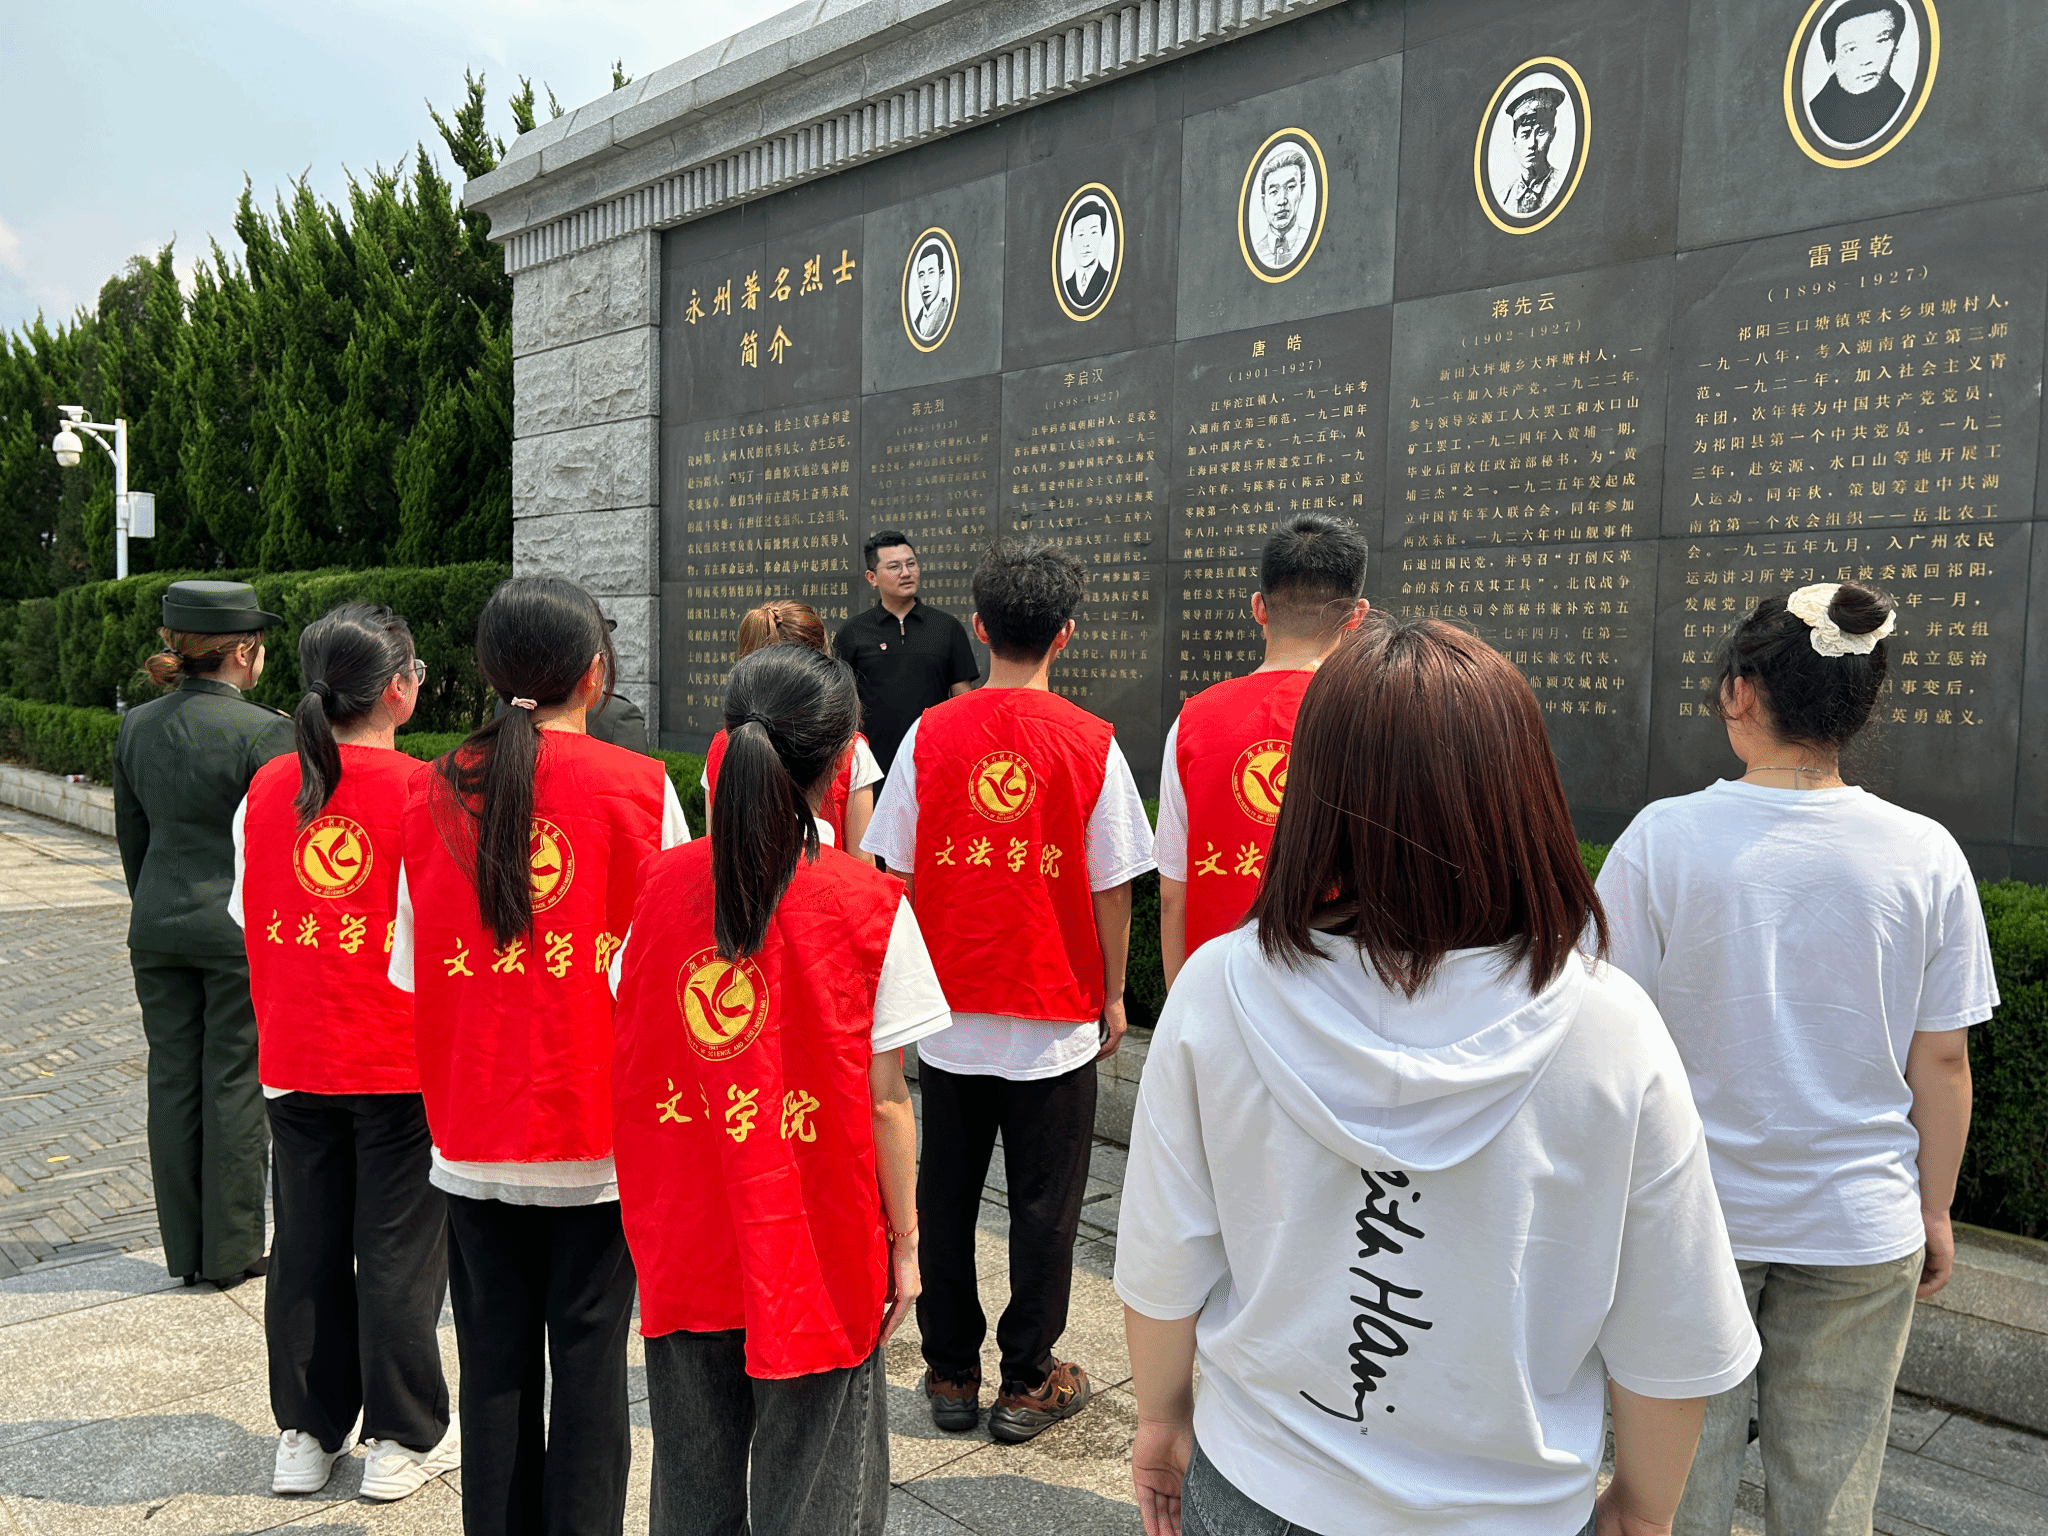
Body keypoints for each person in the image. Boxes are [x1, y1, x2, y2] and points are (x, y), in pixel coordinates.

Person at [1116, 615, 1760, 1536]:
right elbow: (1673, 1328)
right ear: (1522, 790)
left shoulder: (1221, 989)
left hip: (1263, 1477)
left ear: (1315, 791)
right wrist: (1645, 1507)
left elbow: (1160, 1259)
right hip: (1511, 1510)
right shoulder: (1608, 1027)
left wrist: (1161, 1419)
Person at [1595, 582, 1993, 1536]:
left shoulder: (1661, 840)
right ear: (1861, 707)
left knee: (1674, 1492)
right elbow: (1941, 1063)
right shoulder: (1926, 854)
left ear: (1740, 692)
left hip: (1689, 1218)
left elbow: (1603, 1037)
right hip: (1862, 1221)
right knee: (1830, 1495)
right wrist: (1935, 1208)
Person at [612, 644, 952, 1536]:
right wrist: (906, 1245)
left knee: (691, 1486)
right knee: (818, 1495)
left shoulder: (657, 889)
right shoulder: (868, 906)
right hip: (818, 1239)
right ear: (841, 765)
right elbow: (887, 1100)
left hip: (686, 1229)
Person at [390, 575, 690, 1536]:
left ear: (487, 672)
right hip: (595, 1131)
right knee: (594, 1365)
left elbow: (409, 967)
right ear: (595, 674)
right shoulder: (641, 790)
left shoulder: (428, 789)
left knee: (492, 1363)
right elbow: (668, 974)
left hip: (472, 1126)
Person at [863, 537, 1155, 1444]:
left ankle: (950, 1371)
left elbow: (894, 869)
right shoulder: (1093, 743)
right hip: (1053, 1016)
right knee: (1044, 1209)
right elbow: (1114, 886)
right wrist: (1114, 994)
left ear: (980, 628)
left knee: (947, 1200)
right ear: (1065, 634)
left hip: (950, 1016)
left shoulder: (928, 736)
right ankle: (1027, 1378)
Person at [229, 602, 457, 1501]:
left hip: (295, 1052)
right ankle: (400, 1437)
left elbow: (247, 911)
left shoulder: (268, 787)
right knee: (398, 1249)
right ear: (398, 690)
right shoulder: (428, 790)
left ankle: (306, 1431)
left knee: (307, 1243)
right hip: (398, 1059)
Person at [114, 579, 295, 1288]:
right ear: (243, 651)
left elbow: (133, 838)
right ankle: (232, 1250)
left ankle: (184, 1251)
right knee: (233, 1081)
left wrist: (156, 906)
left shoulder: (137, 724)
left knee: (170, 1078)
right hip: (235, 933)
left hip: (157, 924)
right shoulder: (265, 732)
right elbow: (281, 848)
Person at [1156, 514, 1368, 987]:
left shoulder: (1191, 722)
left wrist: (1180, 1001)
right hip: (1343, 999)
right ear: (1357, 616)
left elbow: (1173, 893)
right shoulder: (1375, 718)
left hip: (1222, 993)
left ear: (1258, 607)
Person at [701, 600, 882, 859]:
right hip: (830, 882)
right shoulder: (849, 748)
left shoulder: (724, 744)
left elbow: (711, 851)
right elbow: (863, 862)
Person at [833, 530, 979, 777]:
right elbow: (840, 704)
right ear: (872, 577)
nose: (906, 573)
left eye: (911, 564)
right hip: (871, 768)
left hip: (935, 763)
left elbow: (962, 701)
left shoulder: (947, 628)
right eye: (894, 567)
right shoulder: (853, 632)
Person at [1809, 0, 1907, 147]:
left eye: (1880, 41)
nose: (1866, 60)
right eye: (1852, 49)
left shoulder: (1903, 103)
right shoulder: (1817, 116)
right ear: (1831, 62)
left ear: (1895, 48)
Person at [1501, 85, 1564, 216]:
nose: (1532, 144)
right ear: (1514, 142)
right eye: (1525, 134)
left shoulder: (1564, 184)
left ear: (1552, 135)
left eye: (1541, 132)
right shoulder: (1503, 199)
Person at [1251, 145, 1311, 270]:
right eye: (1273, 191)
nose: (1282, 200)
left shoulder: (1310, 240)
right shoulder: (1257, 252)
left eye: (1290, 187)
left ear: (1302, 191)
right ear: (1263, 201)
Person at [1062, 197, 1113, 312]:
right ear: (1071, 239)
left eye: (1093, 233)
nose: (1086, 243)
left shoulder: (1107, 279)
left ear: (1102, 236)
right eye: (1081, 234)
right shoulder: (1067, 286)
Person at [910, 241, 953, 343]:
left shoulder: (947, 314)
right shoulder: (916, 323)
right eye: (921, 275)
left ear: (941, 275)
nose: (925, 283)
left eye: (931, 273)